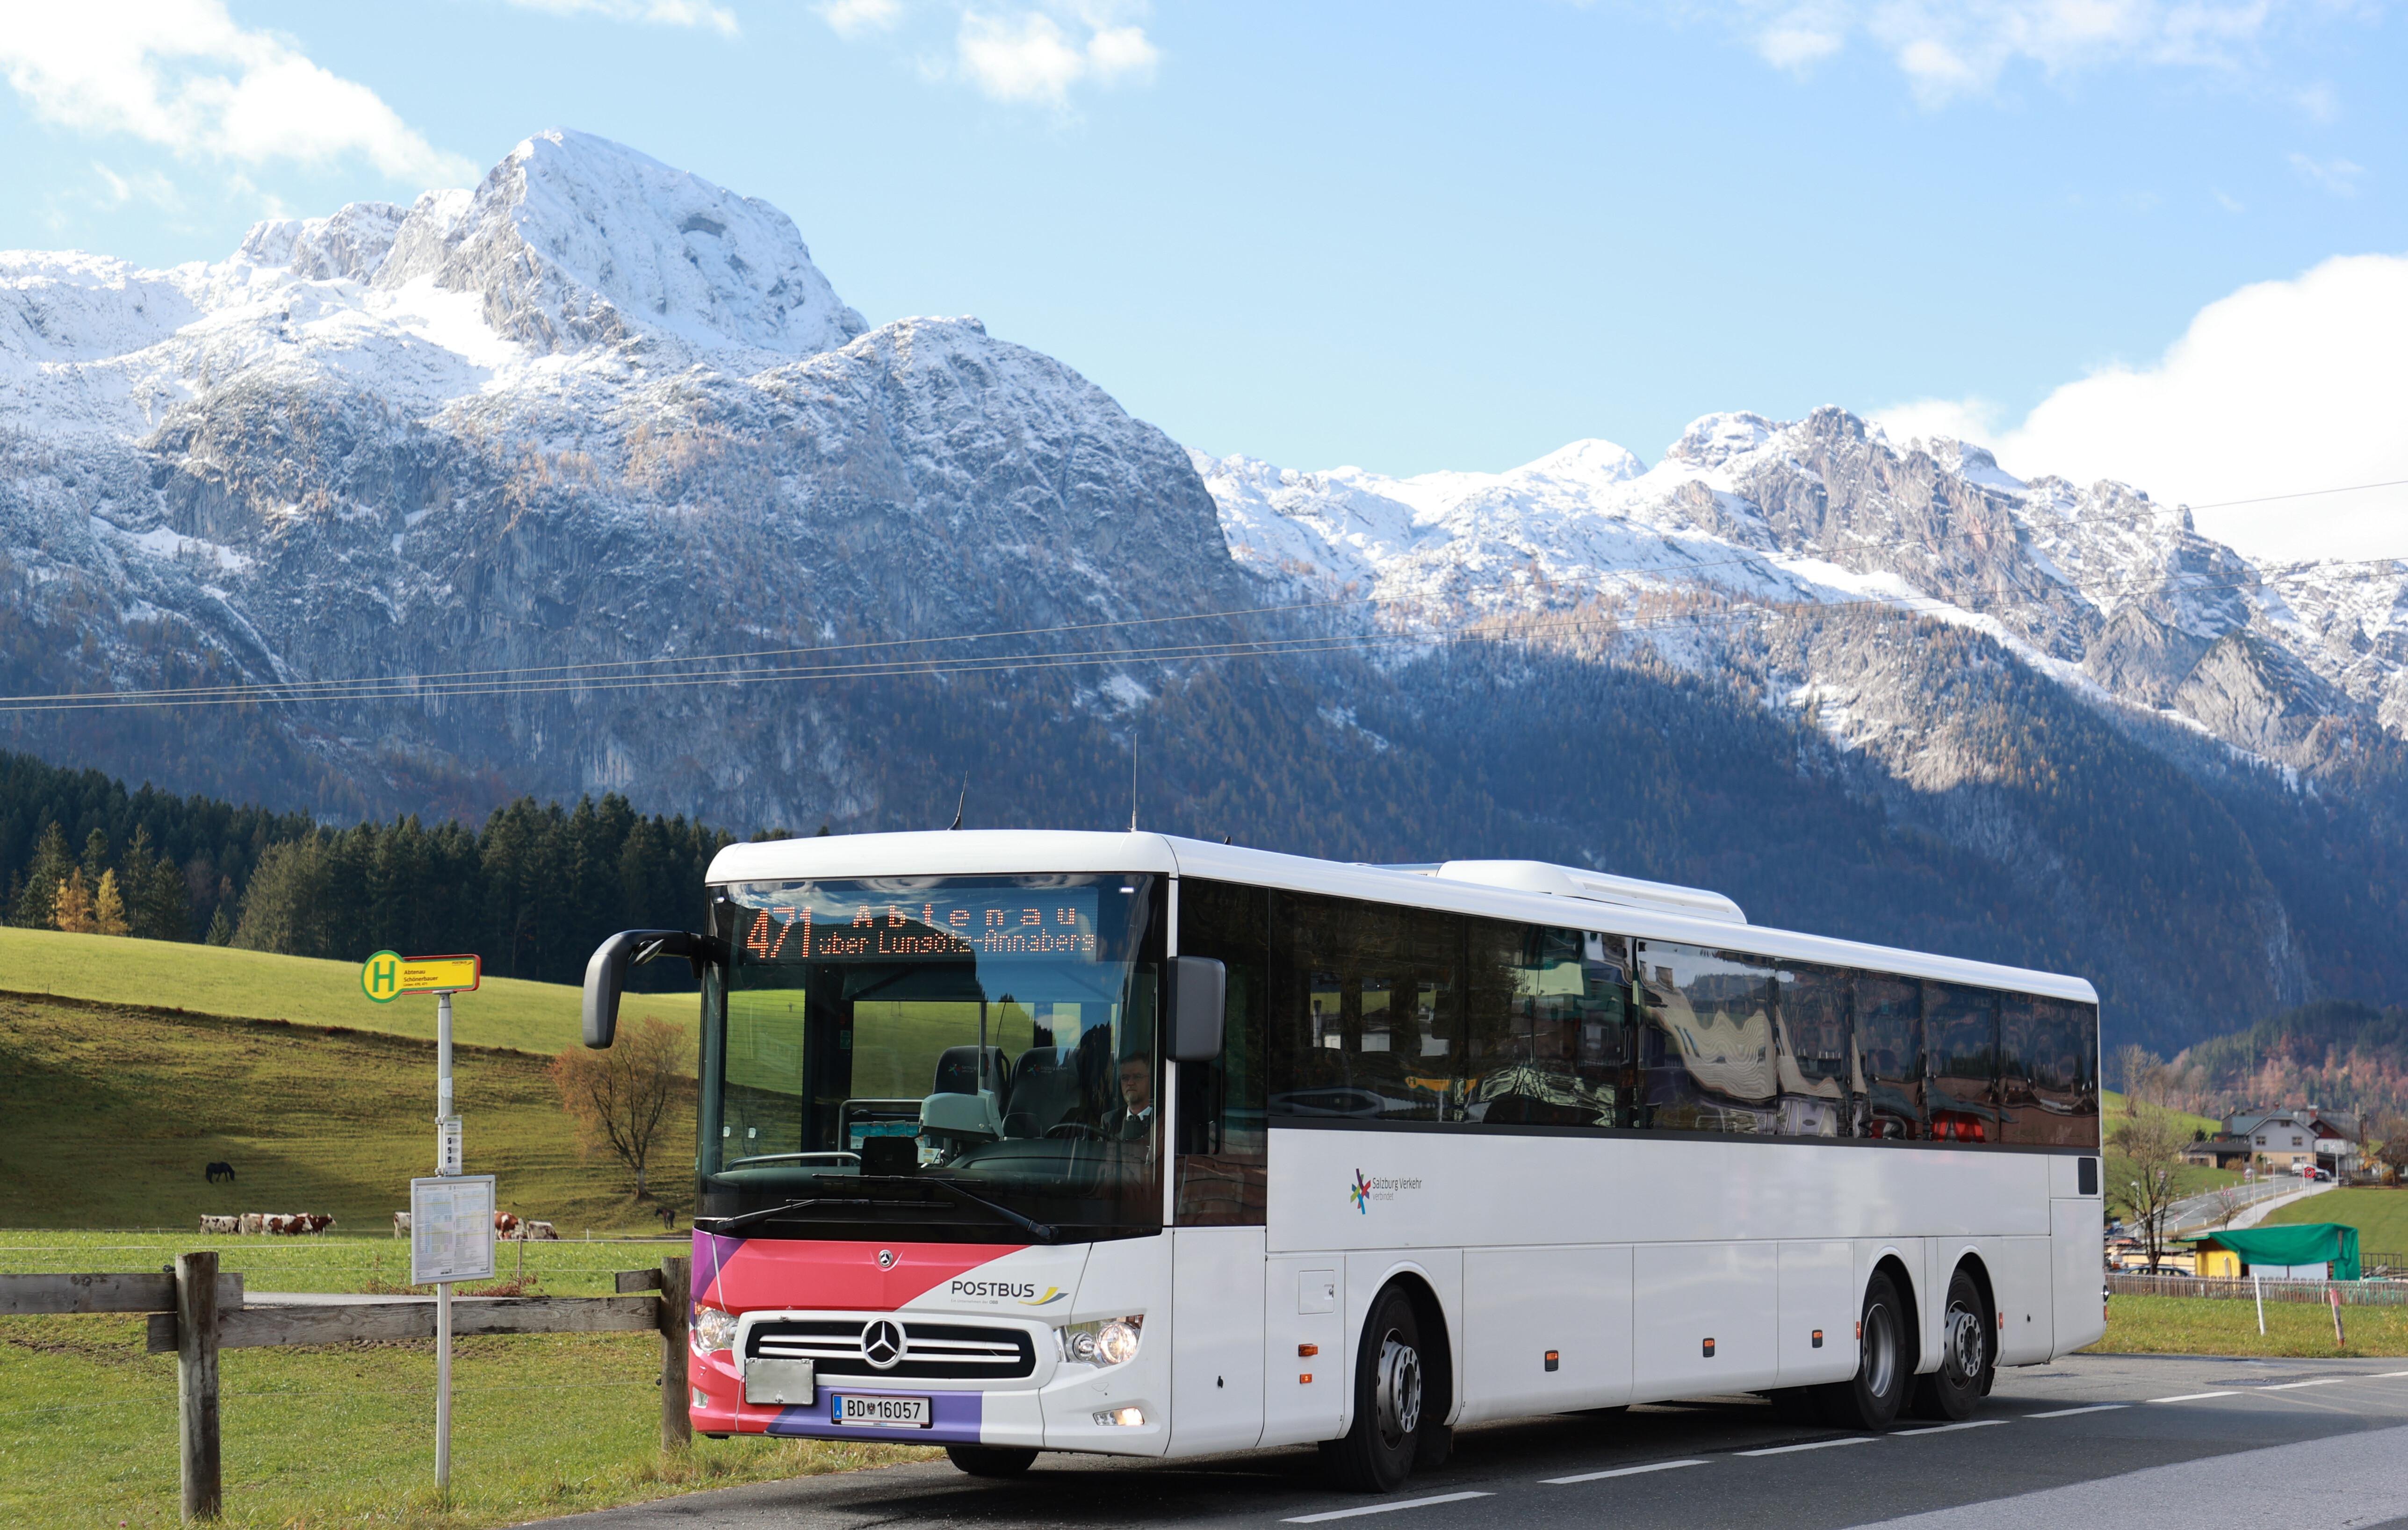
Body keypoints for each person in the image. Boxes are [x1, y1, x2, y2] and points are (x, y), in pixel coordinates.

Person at [1103, 1053, 1156, 1142]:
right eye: (1125, 1078)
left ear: (1151, 1080)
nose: (1130, 1083)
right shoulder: (1109, 1121)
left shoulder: (1164, 1120)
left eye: (1138, 1077)